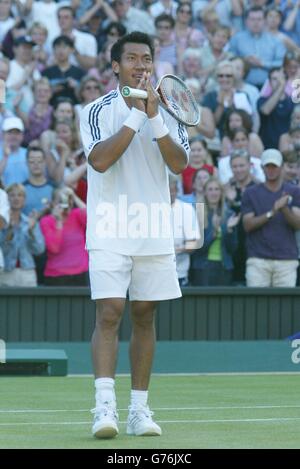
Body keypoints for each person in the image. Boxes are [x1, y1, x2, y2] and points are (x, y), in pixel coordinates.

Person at [79, 31, 189, 439]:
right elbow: (100, 161)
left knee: (145, 314)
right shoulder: (94, 110)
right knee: (109, 312)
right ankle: (103, 408)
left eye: (147, 59)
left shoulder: (170, 112)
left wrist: (156, 115)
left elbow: (178, 165)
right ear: (115, 66)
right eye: (132, 59)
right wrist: (137, 114)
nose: (141, 66)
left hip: (153, 226)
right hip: (109, 225)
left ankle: (139, 410)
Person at [242, 149, 300, 287]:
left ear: (281, 167)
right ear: (262, 167)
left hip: (286, 260)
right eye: (268, 166)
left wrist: (284, 209)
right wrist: (272, 212)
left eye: (274, 166)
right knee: (256, 306)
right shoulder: (250, 193)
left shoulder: (295, 191)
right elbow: (247, 225)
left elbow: (298, 224)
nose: (271, 170)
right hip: (258, 260)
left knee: (285, 307)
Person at [39, 186, 88, 286]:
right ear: (53, 203)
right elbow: (54, 248)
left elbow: (92, 218)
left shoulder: (77, 215)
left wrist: (73, 196)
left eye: (67, 199)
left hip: (80, 274)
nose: (64, 203)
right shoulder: (46, 221)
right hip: (56, 276)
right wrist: (59, 221)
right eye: (60, 200)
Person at [0, 183, 45, 286]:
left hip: (27, 272)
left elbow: (39, 250)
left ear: (24, 199)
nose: (16, 198)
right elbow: (2, 250)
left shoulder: (30, 221)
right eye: (12, 195)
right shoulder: (2, 222)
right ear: (6, 199)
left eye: (20, 195)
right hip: (6, 271)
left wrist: (31, 230)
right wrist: (9, 230)